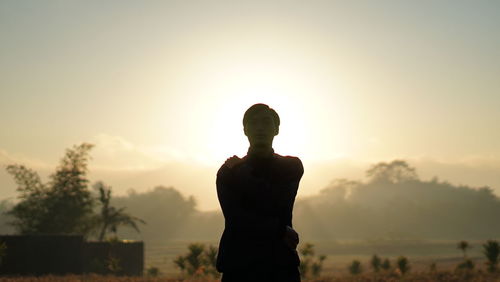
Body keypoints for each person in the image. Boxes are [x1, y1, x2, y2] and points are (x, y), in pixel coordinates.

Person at [216, 103, 304, 282]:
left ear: (276, 129)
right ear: (245, 130)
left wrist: (241, 171)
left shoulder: (291, 166)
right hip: (239, 266)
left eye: (266, 122)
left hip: (280, 265)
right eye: (254, 123)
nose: (260, 128)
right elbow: (237, 219)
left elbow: (276, 201)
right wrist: (280, 230)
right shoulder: (226, 172)